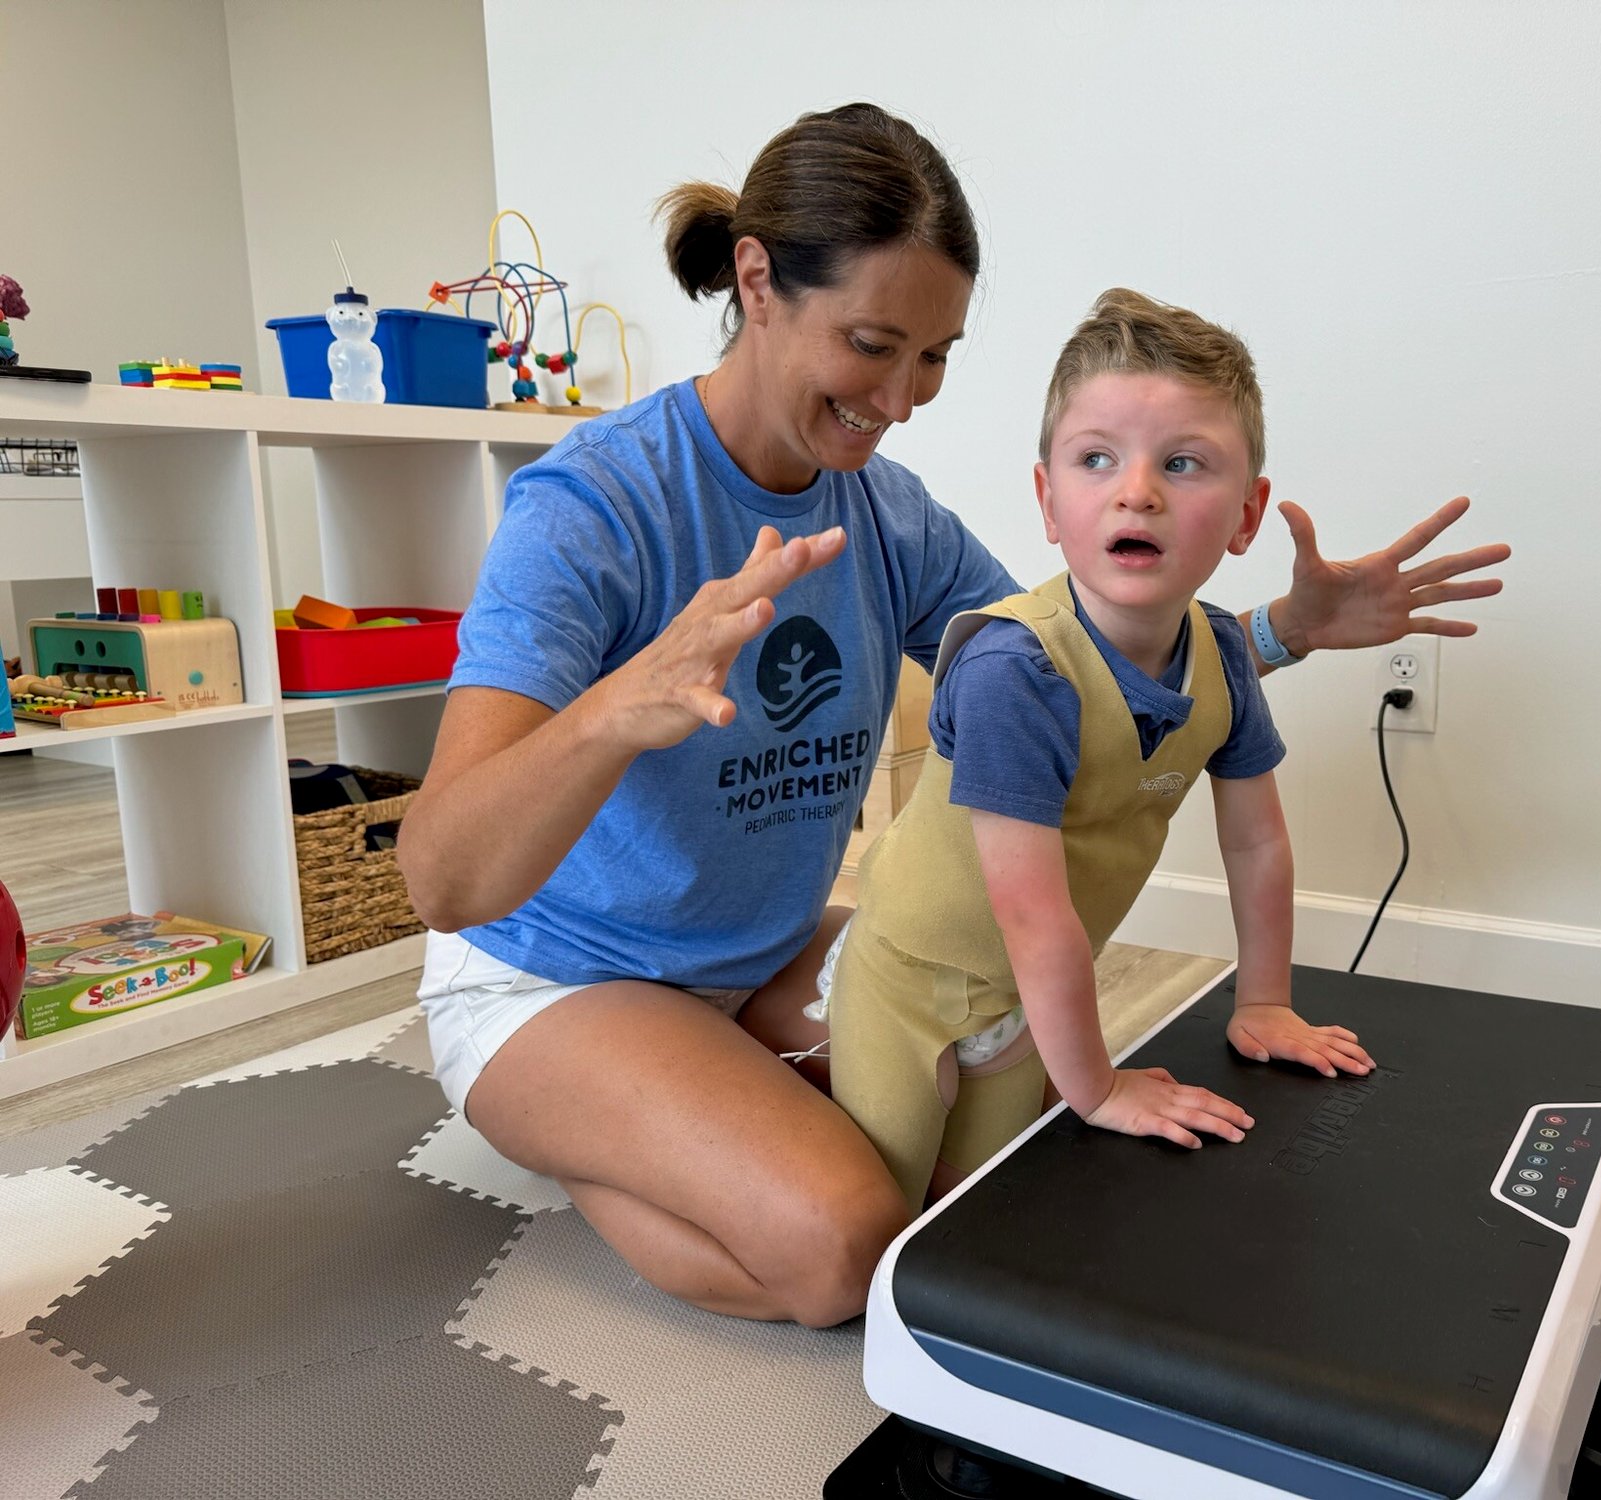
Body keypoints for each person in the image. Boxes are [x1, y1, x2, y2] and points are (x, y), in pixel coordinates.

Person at [396, 103, 1508, 1327]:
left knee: (991, 1148)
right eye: (873, 344)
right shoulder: (592, 507)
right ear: (757, 282)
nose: (905, 398)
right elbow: (445, 877)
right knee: (851, 1252)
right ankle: (578, 1135)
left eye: (935, 355)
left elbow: (1065, 670)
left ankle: (703, 1096)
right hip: (550, 978)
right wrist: (622, 704)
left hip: (755, 947)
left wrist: (1282, 633)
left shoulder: (886, 511)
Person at [828, 289, 1376, 1210]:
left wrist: (1264, 1001)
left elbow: (1257, 843)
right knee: (880, 1215)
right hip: (913, 982)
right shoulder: (1015, 671)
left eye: (1184, 463)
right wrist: (1099, 1087)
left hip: (1020, 1002)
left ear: (1247, 516)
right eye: (1096, 459)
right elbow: (1035, 917)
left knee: (977, 1208)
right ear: (1049, 500)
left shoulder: (1224, 659)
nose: (1138, 491)